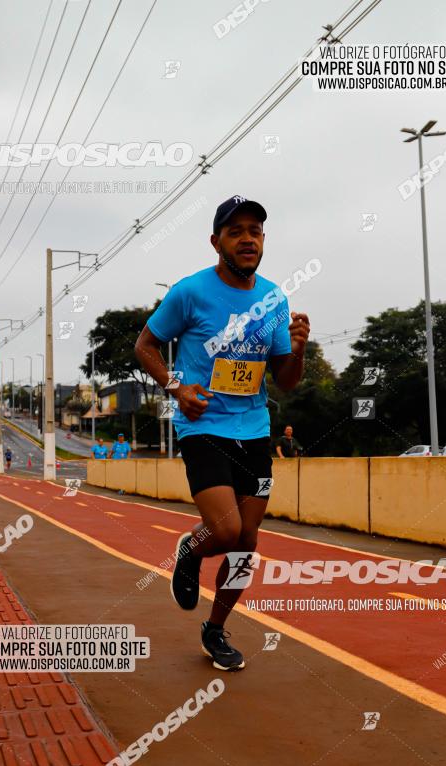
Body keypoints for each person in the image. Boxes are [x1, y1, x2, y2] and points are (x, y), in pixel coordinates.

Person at [135, 195, 310, 671]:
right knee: (227, 529)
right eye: (236, 231)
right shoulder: (190, 292)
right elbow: (145, 344)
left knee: (247, 540)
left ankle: (215, 629)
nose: (247, 238)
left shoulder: (274, 298)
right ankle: (191, 548)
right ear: (216, 242)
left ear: (263, 240)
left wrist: (296, 350)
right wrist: (176, 388)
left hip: (253, 429)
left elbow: (286, 380)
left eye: (254, 230)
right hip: (204, 424)